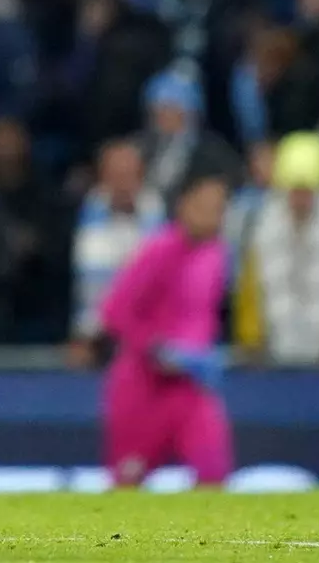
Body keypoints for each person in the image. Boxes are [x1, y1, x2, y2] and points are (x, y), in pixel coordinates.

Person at [98, 170, 234, 487]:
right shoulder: (160, 250)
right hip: (143, 385)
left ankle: (208, 539)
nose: (214, 217)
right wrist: (157, 348)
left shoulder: (218, 254)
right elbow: (114, 312)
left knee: (213, 473)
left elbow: (201, 318)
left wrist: (206, 354)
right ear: (184, 206)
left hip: (191, 386)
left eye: (219, 209)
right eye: (205, 207)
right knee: (127, 485)